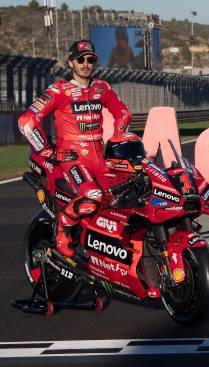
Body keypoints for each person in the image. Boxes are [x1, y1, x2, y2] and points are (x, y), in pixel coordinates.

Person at [18, 40, 132, 258]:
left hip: (101, 157)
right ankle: (63, 228)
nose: (86, 64)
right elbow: (26, 121)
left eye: (90, 59)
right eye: (80, 59)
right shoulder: (59, 90)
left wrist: (118, 140)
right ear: (70, 62)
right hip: (73, 159)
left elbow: (123, 114)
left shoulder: (102, 87)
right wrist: (47, 151)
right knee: (92, 195)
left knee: (124, 199)